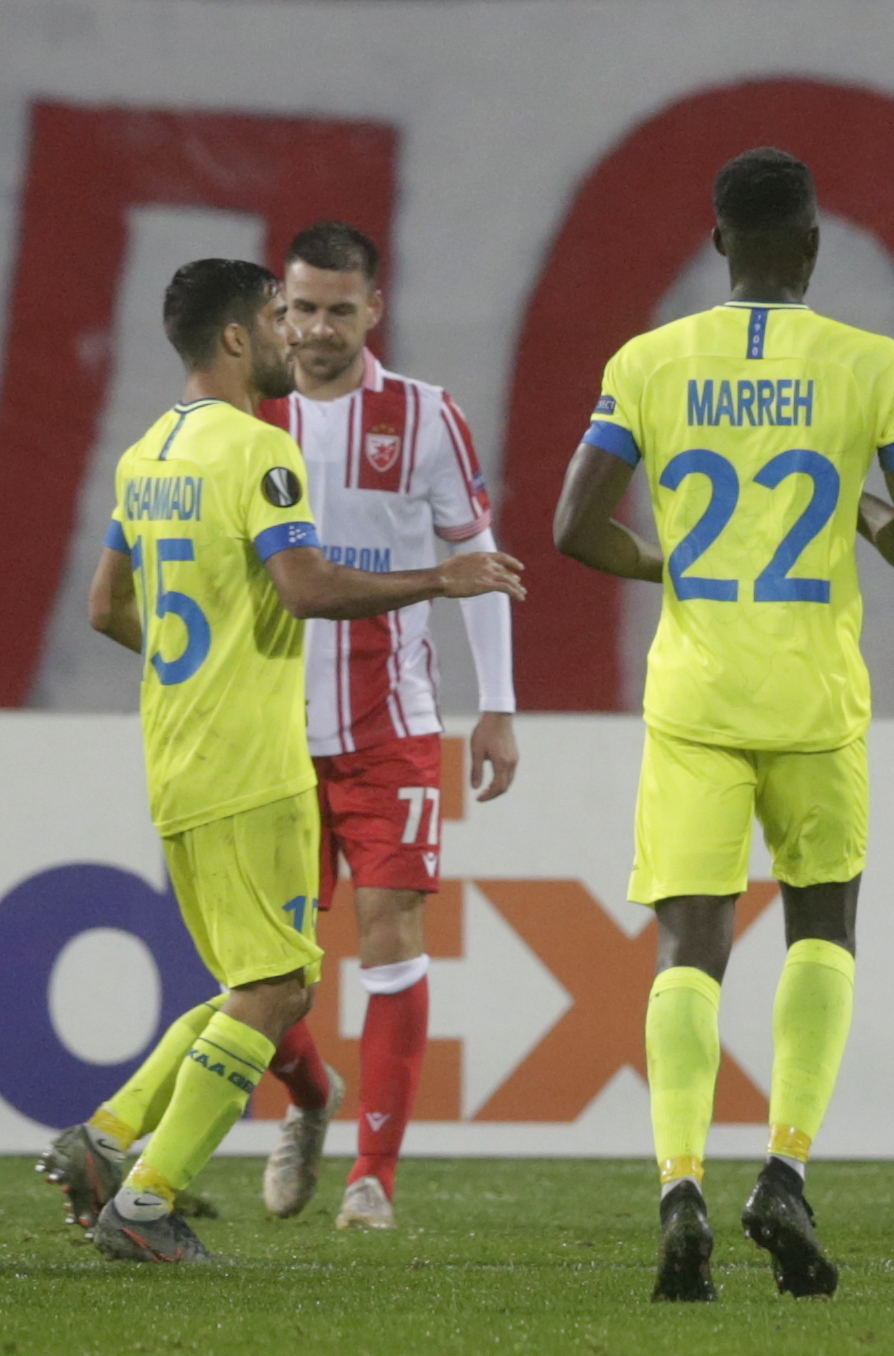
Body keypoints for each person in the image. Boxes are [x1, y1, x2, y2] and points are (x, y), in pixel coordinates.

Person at [33, 259, 522, 1262]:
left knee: (260, 984)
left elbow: (105, 608)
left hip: (173, 754)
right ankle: (145, 1201)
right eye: (272, 317)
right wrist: (443, 575)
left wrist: (197, 665)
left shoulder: (147, 454)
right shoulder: (260, 451)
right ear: (232, 339)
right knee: (276, 991)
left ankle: (111, 1136)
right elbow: (304, 589)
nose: (289, 335)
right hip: (255, 763)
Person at [553, 147, 894, 1303]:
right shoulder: (872, 365)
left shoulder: (648, 361)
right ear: (814, 245)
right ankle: (784, 1169)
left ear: (719, 241)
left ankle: (679, 1182)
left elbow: (575, 524)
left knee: (690, 945)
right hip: (815, 698)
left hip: (696, 695)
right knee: (822, 924)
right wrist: (858, 508)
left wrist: (666, 559)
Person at [250, 220, 520, 1231]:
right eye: (300, 307)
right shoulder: (247, 420)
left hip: (390, 719)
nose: (316, 327)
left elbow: (476, 559)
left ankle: (374, 1177)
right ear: (276, 309)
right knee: (267, 974)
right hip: (267, 726)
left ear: (373, 310)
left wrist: (495, 705)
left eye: (336, 308)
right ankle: (311, 1097)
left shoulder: (424, 416)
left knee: (391, 933)